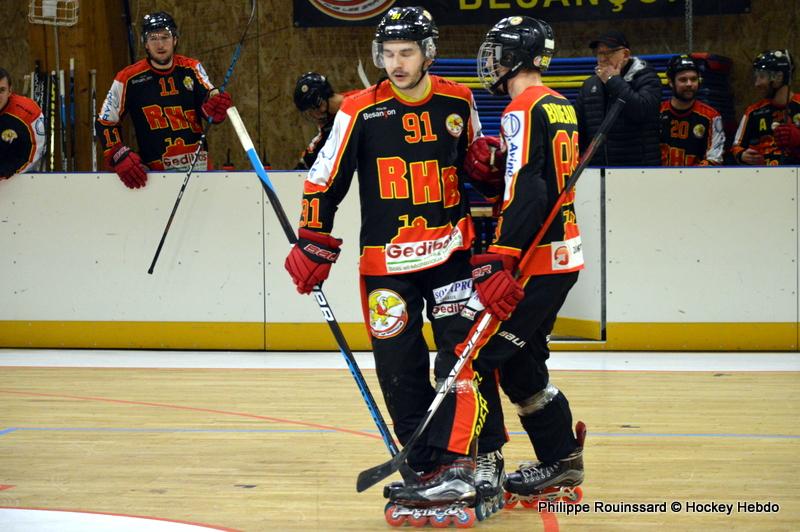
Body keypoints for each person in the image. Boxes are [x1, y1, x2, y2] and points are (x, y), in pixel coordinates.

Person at [283, 6, 507, 524]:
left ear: (428, 52)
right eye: (388, 54)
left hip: (450, 253)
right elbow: (323, 180)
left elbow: (479, 165)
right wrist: (313, 238)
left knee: (462, 359)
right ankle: (427, 467)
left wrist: (488, 171)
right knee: (398, 367)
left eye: (406, 52)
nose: (396, 63)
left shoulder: (458, 98)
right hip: (386, 262)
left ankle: (475, 457)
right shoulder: (359, 110)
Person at [444, 15, 587, 502]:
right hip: (562, 255)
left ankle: (483, 460)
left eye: (497, 52)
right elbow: (539, 180)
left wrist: (500, 256)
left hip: (535, 262)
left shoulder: (521, 108)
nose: (491, 62)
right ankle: (561, 459)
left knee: (472, 355)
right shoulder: (560, 104)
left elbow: (530, 187)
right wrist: (494, 177)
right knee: (521, 362)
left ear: (516, 57)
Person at [95, 11, 233, 189]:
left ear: (175, 39)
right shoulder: (127, 78)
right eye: (153, 38)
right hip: (154, 177)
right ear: (145, 43)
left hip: (198, 170)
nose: (160, 44)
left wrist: (216, 106)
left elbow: (209, 101)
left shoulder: (192, 68)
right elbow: (105, 122)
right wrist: (118, 154)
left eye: (165, 37)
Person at [575, 29, 661, 166]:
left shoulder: (647, 78)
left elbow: (641, 111)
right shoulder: (589, 85)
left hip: (639, 170)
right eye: (599, 53)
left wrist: (613, 81)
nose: (602, 59)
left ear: (625, 54)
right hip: (598, 170)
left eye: (608, 53)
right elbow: (578, 129)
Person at [731, 50, 800, 165]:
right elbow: (736, 147)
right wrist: (742, 155)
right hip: (763, 174)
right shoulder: (753, 112)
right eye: (756, 77)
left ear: (779, 77)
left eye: (762, 76)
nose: (756, 84)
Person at [659, 54, 725, 166]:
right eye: (683, 80)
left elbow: (715, 159)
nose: (689, 84)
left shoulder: (712, 116)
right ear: (671, 82)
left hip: (698, 176)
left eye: (694, 79)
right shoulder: (656, 112)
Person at [293, 72, 353, 170]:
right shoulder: (329, 126)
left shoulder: (335, 125)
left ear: (320, 103)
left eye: (310, 110)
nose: (311, 115)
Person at [0, 67, 45, 179]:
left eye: (2, 90)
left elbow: (35, 152)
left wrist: (8, 172)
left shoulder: (28, 112)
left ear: (10, 91)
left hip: (17, 177)